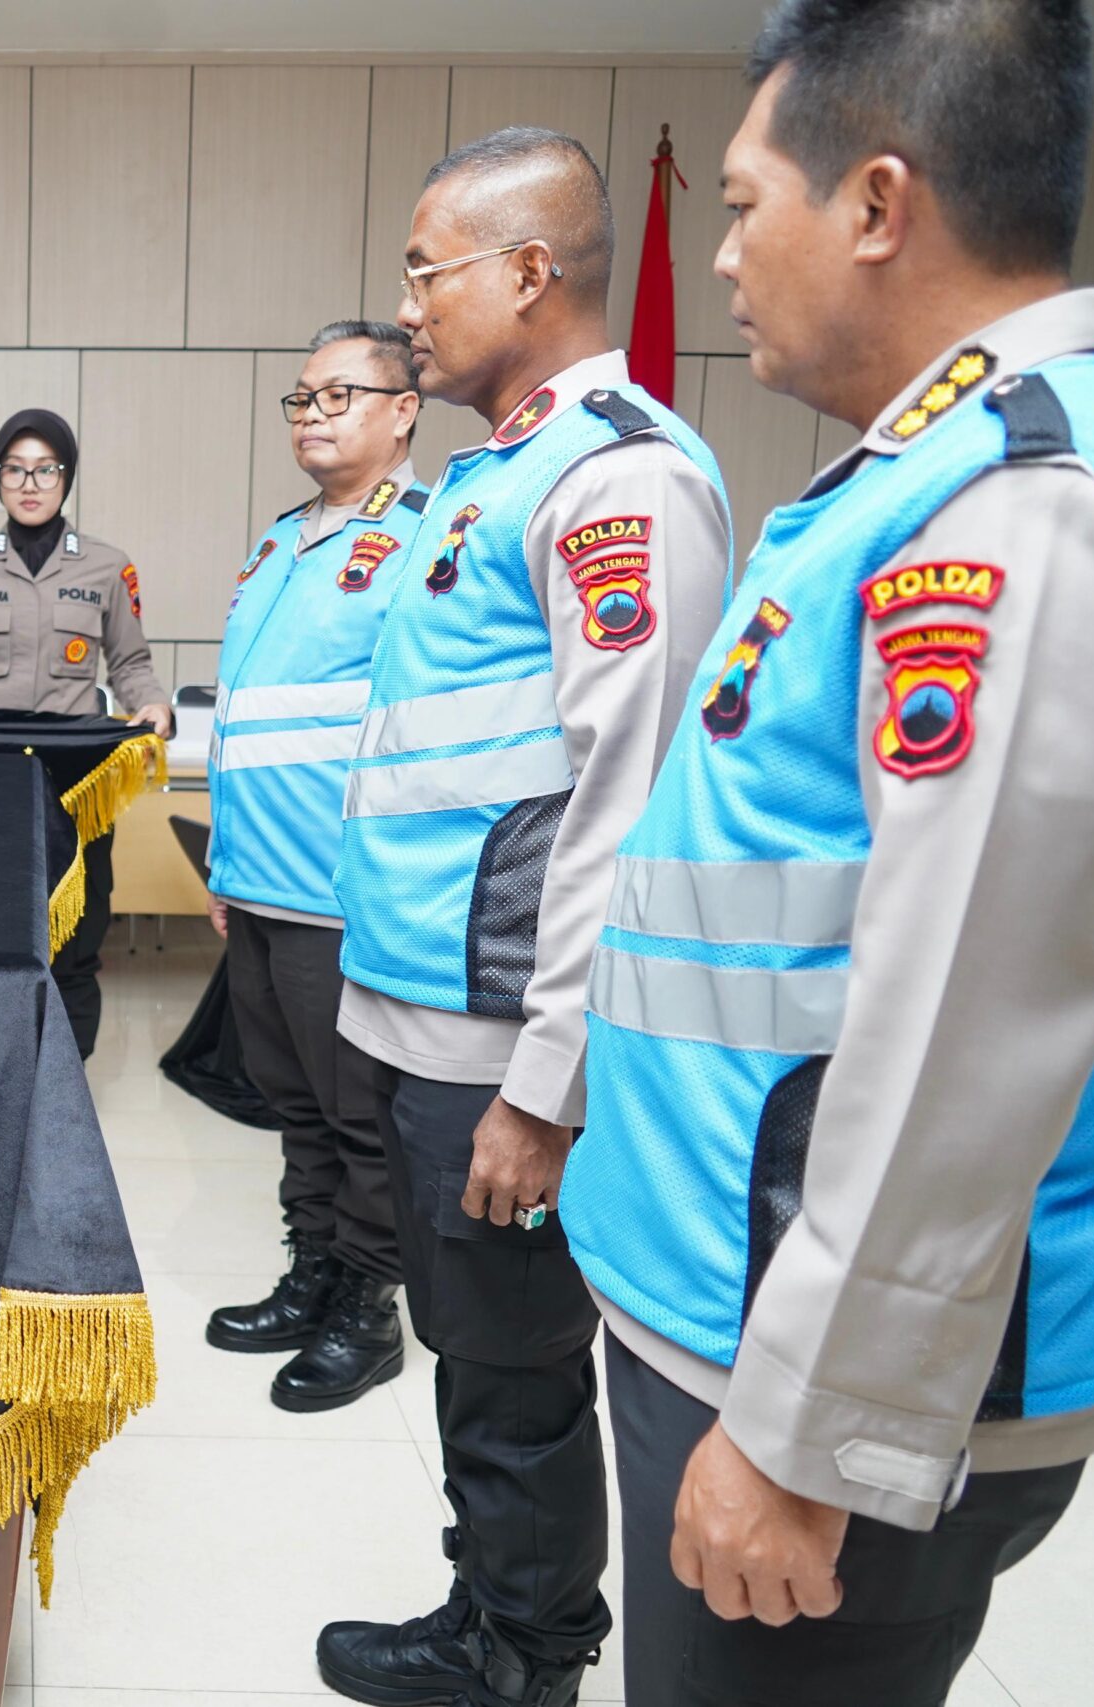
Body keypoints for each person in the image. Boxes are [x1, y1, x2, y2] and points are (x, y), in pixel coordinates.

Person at [562, 5, 1094, 1703]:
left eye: (738, 202)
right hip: (735, 1294)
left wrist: (810, 1431)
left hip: (823, 1377)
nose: (720, 257)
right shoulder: (922, 478)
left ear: (874, 202)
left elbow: (962, 1032)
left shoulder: (1031, 515)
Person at [316, 132, 734, 1706]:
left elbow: (628, 807)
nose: (409, 302)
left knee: (515, 1372)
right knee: (480, 1356)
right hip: (429, 1014)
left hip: (506, 1044)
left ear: (530, 272)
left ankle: (529, 1654)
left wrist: (545, 1083)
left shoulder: (615, 475)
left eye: (431, 268)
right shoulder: (493, 473)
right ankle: (491, 1601)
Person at [200, 323, 428, 1413]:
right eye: (300, 398)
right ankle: (314, 1274)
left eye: (340, 395)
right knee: (292, 1102)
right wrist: (225, 864)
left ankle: (368, 1310)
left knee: (356, 1113)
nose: (314, 414)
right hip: (257, 881)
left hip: (342, 891)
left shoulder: (429, 540)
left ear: (404, 409)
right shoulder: (280, 540)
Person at [0, 407, 170, 1057]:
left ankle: (68, 1086)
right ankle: (0, 1074)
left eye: (45, 469)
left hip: (75, 785)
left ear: (66, 478)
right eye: (14, 469)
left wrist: (152, 704)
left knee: (78, 945)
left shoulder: (108, 568)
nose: (30, 483)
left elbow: (130, 662)